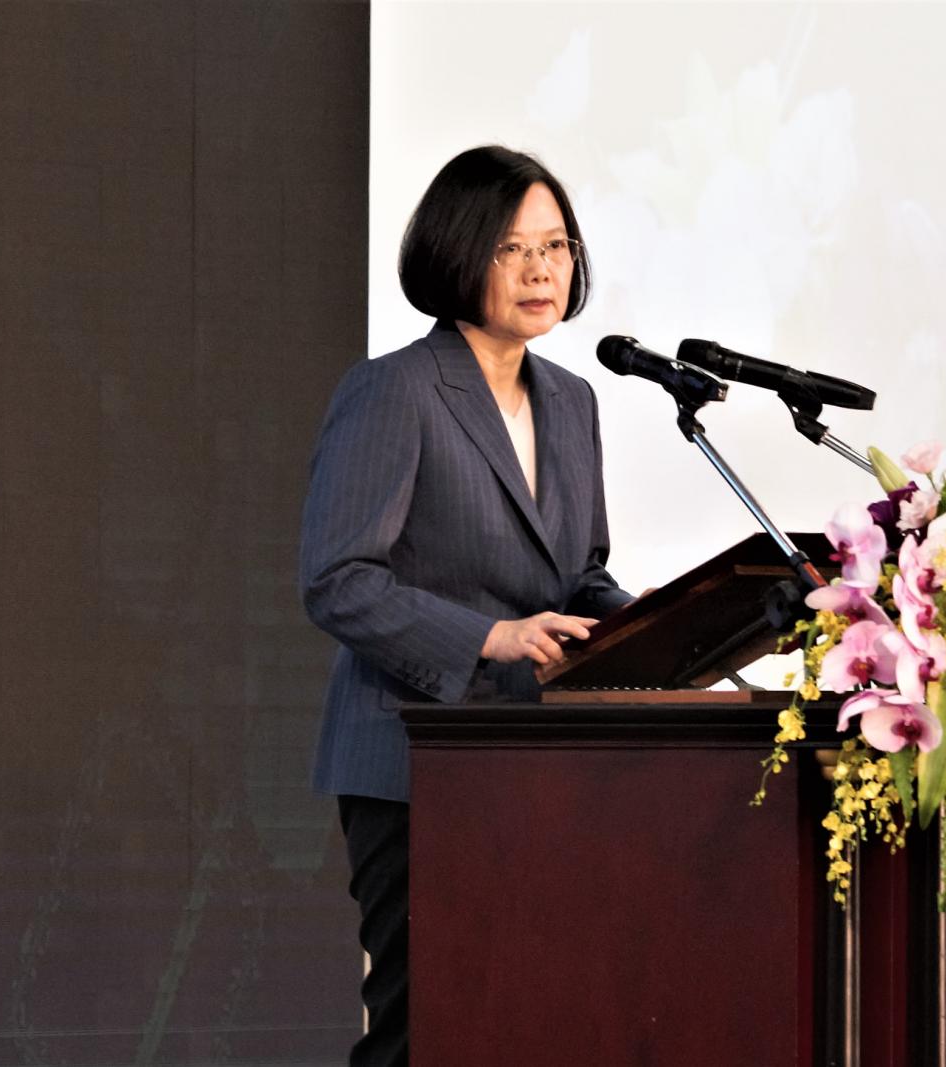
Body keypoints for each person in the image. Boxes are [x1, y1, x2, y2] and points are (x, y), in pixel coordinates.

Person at [299, 145, 633, 1066]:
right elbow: (337, 578)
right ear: (458, 253)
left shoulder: (571, 402)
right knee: (425, 1027)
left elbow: (580, 575)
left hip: (529, 754)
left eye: (557, 245)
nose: (541, 269)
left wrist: (656, 625)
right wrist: (491, 635)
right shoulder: (394, 390)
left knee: (518, 1020)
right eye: (511, 248)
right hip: (411, 758)